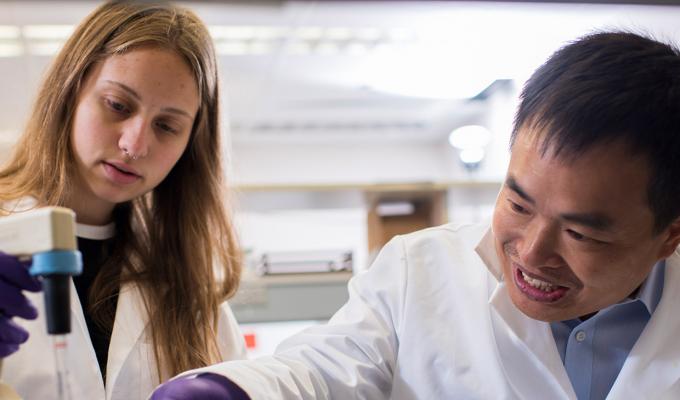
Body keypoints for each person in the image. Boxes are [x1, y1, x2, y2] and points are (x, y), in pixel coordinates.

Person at [151, 31, 680, 400]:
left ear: (668, 236)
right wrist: (230, 389)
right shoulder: (420, 270)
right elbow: (323, 370)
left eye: (580, 232)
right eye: (518, 203)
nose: (533, 251)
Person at [0, 2, 248, 399]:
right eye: (118, 105)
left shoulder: (186, 283)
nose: (134, 145)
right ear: (70, 90)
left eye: (167, 126)